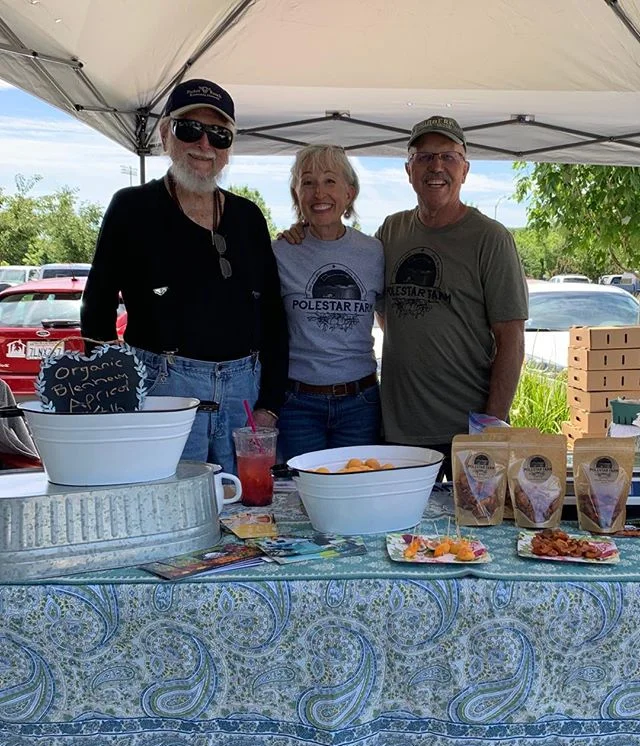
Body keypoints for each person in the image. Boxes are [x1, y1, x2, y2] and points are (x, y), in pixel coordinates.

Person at [281, 117, 528, 478]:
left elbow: (512, 339)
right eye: (425, 157)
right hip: (395, 428)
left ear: (465, 169)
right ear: (409, 169)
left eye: (448, 156)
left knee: (458, 531)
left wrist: (490, 430)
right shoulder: (391, 232)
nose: (437, 167)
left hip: (463, 429)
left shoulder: (491, 238)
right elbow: (382, 308)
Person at [81, 79, 288, 474]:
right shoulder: (131, 208)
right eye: (190, 129)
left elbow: (275, 316)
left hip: (244, 392)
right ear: (165, 134)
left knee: (246, 516)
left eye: (220, 135)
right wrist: (117, 396)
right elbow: (97, 309)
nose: (204, 145)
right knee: (164, 506)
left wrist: (270, 406)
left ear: (229, 149)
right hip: (163, 390)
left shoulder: (248, 217)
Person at [272, 145, 384, 460]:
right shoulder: (279, 253)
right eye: (308, 182)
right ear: (297, 195)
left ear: (349, 193)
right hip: (298, 405)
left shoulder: (374, 252)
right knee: (303, 495)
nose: (319, 191)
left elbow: (392, 317)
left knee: (356, 492)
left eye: (330, 181)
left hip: (359, 403)